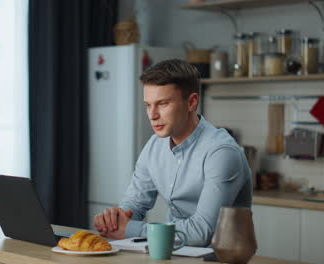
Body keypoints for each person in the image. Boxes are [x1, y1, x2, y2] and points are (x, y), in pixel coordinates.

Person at [93, 59, 252, 246]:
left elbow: (202, 232)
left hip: (219, 258)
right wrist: (115, 219)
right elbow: (134, 205)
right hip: (172, 254)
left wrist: (129, 229)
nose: (152, 115)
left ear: (191, 102)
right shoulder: (154, 145)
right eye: (147, 105)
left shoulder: (221, 152)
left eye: (162, 104)